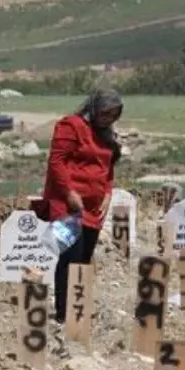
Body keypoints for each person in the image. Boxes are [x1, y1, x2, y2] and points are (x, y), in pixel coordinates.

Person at [41, 88, 124, 324]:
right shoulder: (71, 126)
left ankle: (78, 310)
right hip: (67, 204)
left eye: (113, 115)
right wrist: (68, 191)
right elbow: (56, 161)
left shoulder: (106, 134)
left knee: (84, 258)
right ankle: (64, 315)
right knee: (70, 256)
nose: (108, 119)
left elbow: (107, 167)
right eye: (105, 113)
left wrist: (108, 193)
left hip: (93, 207)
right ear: (94, 108)